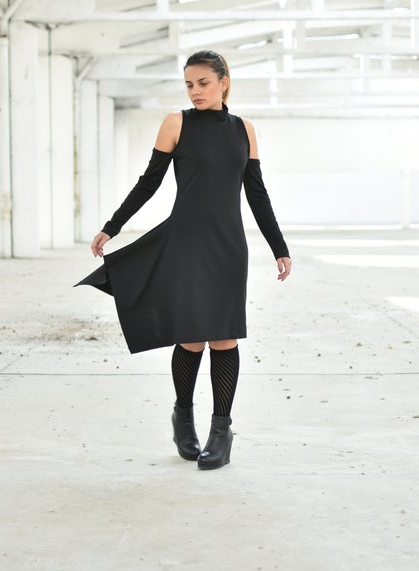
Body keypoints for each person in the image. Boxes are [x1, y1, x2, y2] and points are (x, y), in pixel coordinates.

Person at [77, 50, 291, 470]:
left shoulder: (244, 129)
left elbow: (256, 193)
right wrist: (112, 226)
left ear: (223, 82)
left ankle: (221, 432)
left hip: (229, 247)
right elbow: (149, 183)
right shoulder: (177, 123)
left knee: (224, 337)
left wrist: (278, 246)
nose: (195, 91)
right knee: (192, 336)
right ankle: (184, 418)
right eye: (189, 84)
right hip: (187, 244)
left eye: (203, 83)